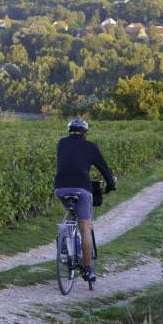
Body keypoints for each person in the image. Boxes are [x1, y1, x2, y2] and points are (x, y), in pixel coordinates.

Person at [54, 118, 116, 282]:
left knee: (72, 214)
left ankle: (69, 247)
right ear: (85, 133)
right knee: (85, 228)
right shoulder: (90, 147)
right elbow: (103, 168)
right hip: (82, 189)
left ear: (69, 131)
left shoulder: (61, 143)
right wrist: (111, 185)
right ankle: (87, 270)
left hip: (60, 189)